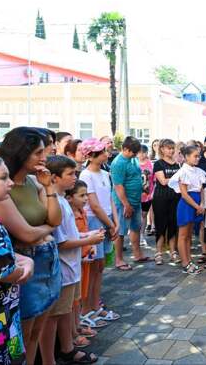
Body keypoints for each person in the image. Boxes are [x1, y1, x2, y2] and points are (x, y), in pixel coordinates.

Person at [0, 127, 62, 364]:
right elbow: (27, 234)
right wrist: (46, 229)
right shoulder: (3, 189)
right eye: (38, 153)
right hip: (26, 263)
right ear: (20, 153)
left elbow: (55, 219)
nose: (44, 158)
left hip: (47, 258)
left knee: (36, 332)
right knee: (23, 335)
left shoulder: (35, 182)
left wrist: (50, 188)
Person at [40, 155, 103, 365]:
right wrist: (89, 239)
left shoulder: (62, 200)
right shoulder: (55, 202)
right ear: (54, 177)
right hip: (63, 269)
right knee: (54, 316)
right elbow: (61, 242)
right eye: (70, 174)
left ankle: (68, 347)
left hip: (72, 267)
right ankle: (51, 358)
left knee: (66, 311)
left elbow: (70, 235)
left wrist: (87, 235)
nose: (75, 177)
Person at [0, 154, 33, 365]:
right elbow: (5, 271)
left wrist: (19, 259)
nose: (10, 183)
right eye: (3, 178)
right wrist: (27, 265)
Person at [78, 138, 119, 330]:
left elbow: (110, 199)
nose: (106, 154)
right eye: (101, 152)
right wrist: (110, 225)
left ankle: (95, 305)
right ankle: (87, 309)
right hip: (95, 221)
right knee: (93, 266)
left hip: (107, 219)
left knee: (100, 266)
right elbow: (93, 205)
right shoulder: (86, 175)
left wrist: (115, 222)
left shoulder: (105, 173)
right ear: (91, 155)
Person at [65, 181, 97, 345]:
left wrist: (91, 244)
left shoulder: (81, 211)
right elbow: (72, 238)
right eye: (82, 195)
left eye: (86, 195)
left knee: (78, 297)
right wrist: (90, 240)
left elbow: (84, 234)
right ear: (69, 198)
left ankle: (77, 326)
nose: (86, 198)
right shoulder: (67, 214)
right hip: (74, 260)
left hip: (83, 259)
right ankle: (72, 333)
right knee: (72, 301)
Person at [111, 136, 147, 268]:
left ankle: (138, 255)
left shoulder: (133, 159)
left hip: (135, 201)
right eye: (133, 152)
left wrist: (142, 187)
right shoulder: (118, 163)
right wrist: (126, 204)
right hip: (123, 203)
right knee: (120, 231)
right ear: (125, 149)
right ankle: (118, 259)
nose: (135, 155)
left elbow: (135, 176)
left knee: (136, 227)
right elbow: (118, 186)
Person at [170, 145, 206, 275]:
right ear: (186, 157)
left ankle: (189, 260)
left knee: (189, 235)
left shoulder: (199, 171)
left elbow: (201, 190)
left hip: (197, 203)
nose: (198, 158)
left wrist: (202, 204)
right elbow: (184, 194)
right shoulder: (183, 172)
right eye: (195, 156)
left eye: (198, 156)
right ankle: (185, 263)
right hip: (187, 204)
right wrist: (197, 206)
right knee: (183, 235)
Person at [152, 139, 180, 265]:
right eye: (169, 148)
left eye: (173, 148)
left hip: (175, 198)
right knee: (161, 226)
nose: (171, 150)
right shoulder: (158, 164)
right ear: (162, 149)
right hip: (161, 198)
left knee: (173, 225)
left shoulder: (177, 164)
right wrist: (176, 178)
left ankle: (173, 251)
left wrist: (175, 179)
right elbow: (163, 181)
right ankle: (158, 252)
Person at [138, 145, 155, 236]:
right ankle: (135, 236)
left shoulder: (151, 165)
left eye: (144, 152)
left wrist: (152, 193)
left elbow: (154, 181)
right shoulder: (134, 164)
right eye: (139, 152)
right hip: (136, 195)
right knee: (137, 215)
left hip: (147, 195)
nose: (141, 154)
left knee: (144, 215)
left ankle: (141, 235)